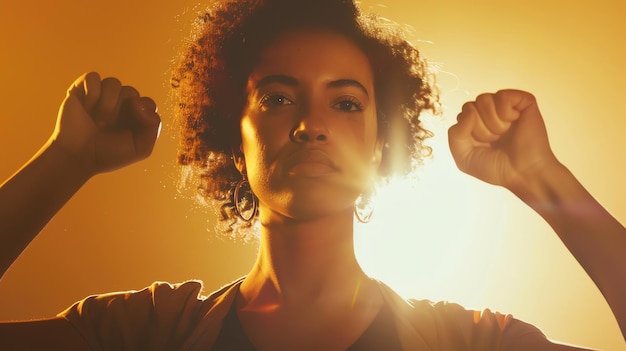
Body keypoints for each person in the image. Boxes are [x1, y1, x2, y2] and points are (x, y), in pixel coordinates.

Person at [0, 0, 624, 349]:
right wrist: (66, 161)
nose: (311, 124)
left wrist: (543, 177)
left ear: (381, 145)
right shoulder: (147, 333)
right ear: (231, 139)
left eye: (346, 101)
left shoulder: (465, 342)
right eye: (277, 98)